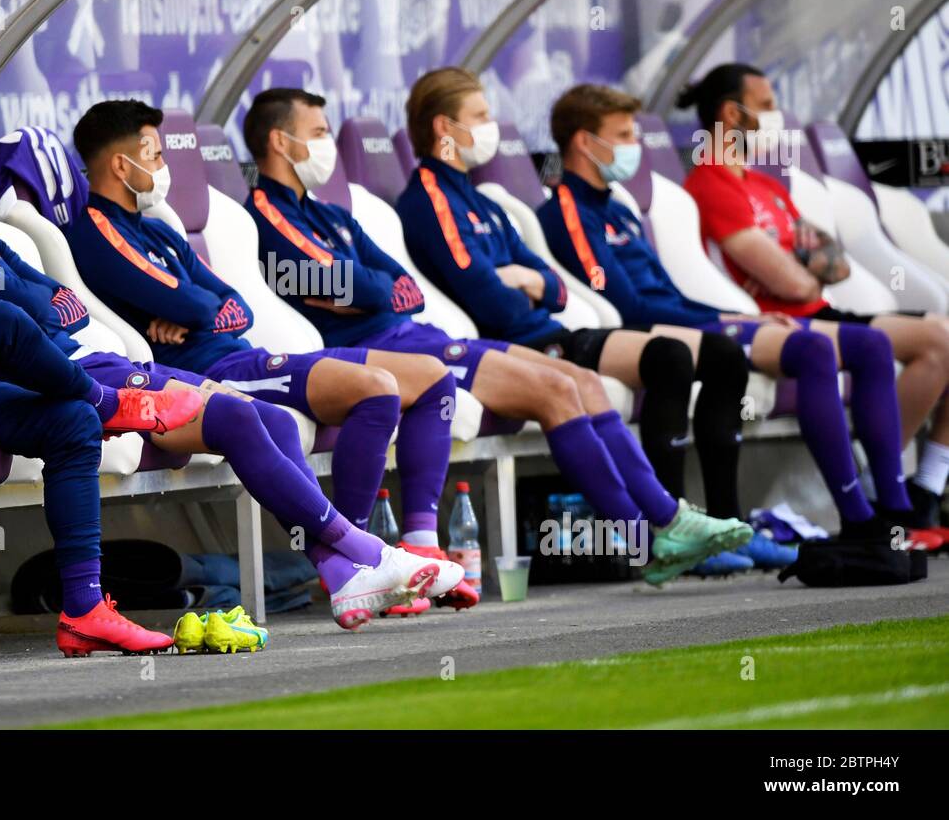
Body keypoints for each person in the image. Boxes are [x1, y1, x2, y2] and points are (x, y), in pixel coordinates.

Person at [0, 126, 461, 629]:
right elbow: (32, 309)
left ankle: (342, 571)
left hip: (95, 359)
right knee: (236, 414)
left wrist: (46, 299)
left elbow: (67, 303)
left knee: (269, 418)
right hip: (56, 378)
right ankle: (364, 553)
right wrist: (45, 299)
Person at [242, 88, 754, 586]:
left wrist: (369, 288)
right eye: (318, 132)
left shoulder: (333, 215)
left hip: (420, 333)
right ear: (281, 142)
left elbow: (404, 289)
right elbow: (357, 285)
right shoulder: (265, 213)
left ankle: (666, 520)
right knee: (556, 390)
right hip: (377, 351)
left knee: (582, 381)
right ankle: (648, 536)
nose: (328, 142)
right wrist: (369, 288)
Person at [66, 99, 475, 612]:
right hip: (207, 371)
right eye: (156, 154)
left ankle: (374, 558)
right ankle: (363, 560)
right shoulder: (95, 228)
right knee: (376, 389)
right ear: (122, 164)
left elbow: (234, 306)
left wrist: (202, 311)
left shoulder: (161, 228)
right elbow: (193, 300)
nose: (166, 167)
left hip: (245, 353)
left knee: (423, 379)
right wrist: (200, 309)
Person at [396, 67, 780, 573]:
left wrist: (529, 281)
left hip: (547, 334)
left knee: (652, 364)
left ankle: (668, 528)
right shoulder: (429, 198)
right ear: (446, 128)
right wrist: (523, 286)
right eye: (482, 116)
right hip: (502, 344)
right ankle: (659, 533)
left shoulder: (480, 198)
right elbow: (492, 302)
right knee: (620, 370)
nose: (493, 127)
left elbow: (551, 285)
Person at [537, 83, 947, 548]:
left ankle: (894, 509)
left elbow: (668, 290)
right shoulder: (566, 211)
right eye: (625, 135)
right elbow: (629, 305)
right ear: (585, 142)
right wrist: (741, 319)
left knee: (872, 345)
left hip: (691, 317)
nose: (635, 147)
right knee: (807, 348)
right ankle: (856, 519)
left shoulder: (619, 208)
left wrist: (735, 314)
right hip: (652, 332)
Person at [679, 64, 949, 538]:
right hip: (771, 322)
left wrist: (808, 265)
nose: (777, 116)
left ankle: (925, 487)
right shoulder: (709, 184)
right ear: (730, 113)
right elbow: (796, 282)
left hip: (819, 311)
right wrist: (807, 265)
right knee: (927, 345)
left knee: (943, 336)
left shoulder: (765, 184)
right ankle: (882, 488)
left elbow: (835, 265)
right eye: (766, 105)